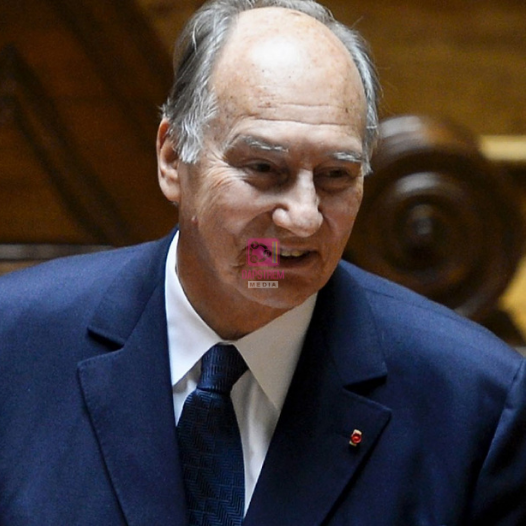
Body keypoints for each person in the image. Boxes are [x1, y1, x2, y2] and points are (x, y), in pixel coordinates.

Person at [1, 0, 525, 524]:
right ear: (173, 159)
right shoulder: (15, 345)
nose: (303, 219)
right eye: (264, 168)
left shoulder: (476, 403)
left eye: (336, 176)